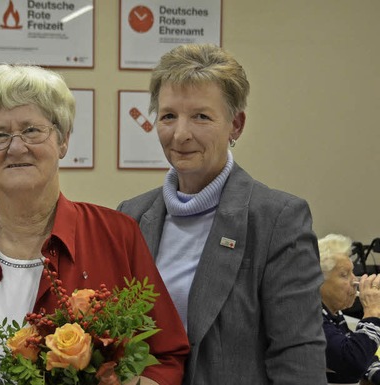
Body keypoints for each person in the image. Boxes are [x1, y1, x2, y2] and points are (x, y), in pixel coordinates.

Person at [0, 64, 190, 385]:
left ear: (63, 140)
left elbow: (168, 355)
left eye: (32, 130)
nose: (17, 147)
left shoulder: (118, 236)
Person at [117, 44, 327, 384]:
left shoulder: (277, 219)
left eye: (201, 116)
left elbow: (298, 358)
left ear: (236, 125)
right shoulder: (132, 216)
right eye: (169, 115)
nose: (181, 133)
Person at [319, 233, 380, 385]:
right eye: (344, 275)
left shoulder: (334, 314)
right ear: (318, 280)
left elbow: (366, 359)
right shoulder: (311, 317)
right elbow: (352, 362)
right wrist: (372, 312)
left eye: (353, 272)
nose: (355, 281)